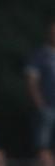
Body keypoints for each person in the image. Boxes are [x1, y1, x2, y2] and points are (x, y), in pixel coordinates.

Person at [26, 19, 55, 151]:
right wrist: (40, 104)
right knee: (43, 143)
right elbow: (32, 82)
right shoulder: (40, 55)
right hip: (47, 105)